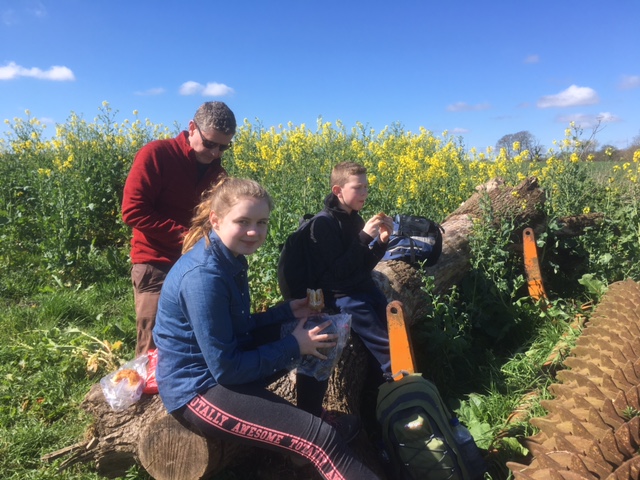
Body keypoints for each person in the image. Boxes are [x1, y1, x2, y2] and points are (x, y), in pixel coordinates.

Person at [152, 177, 380, 480]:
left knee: (323, 330)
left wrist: (287, 311)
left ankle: (309, 417)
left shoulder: (229, 257)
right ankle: (307, 443)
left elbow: (239, 328)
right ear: (216, 220)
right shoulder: (204, 278)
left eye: (261, 222)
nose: (253, 231)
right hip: (199, 389)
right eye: (243, 221)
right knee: (323, 440)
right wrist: (294, 345)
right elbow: (227, 369)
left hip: (226, 362)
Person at [122, 101, 236, 357]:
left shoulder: (218, 173)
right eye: (210, 143)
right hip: (155, 262)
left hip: (196, 263)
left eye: (224, 147)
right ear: (192, 128)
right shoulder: (156, 154)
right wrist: (187, 238)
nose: (216, 153)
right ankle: (144, 393)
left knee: (196, 335)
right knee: (152, 341)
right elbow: (133, 210)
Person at [301, 162, 394, 410]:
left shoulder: (355, 218)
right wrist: (364, 237)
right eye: (358, 187)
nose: (364, 193)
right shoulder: (323, 224)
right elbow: (337, 274)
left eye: (366, 187)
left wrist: (381, 244)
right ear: (338, 190)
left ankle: (377, 394)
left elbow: (361, 266)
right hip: (341, 296)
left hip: (361, 288)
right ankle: (397, 398)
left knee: (395, 330)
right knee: (388, 347)